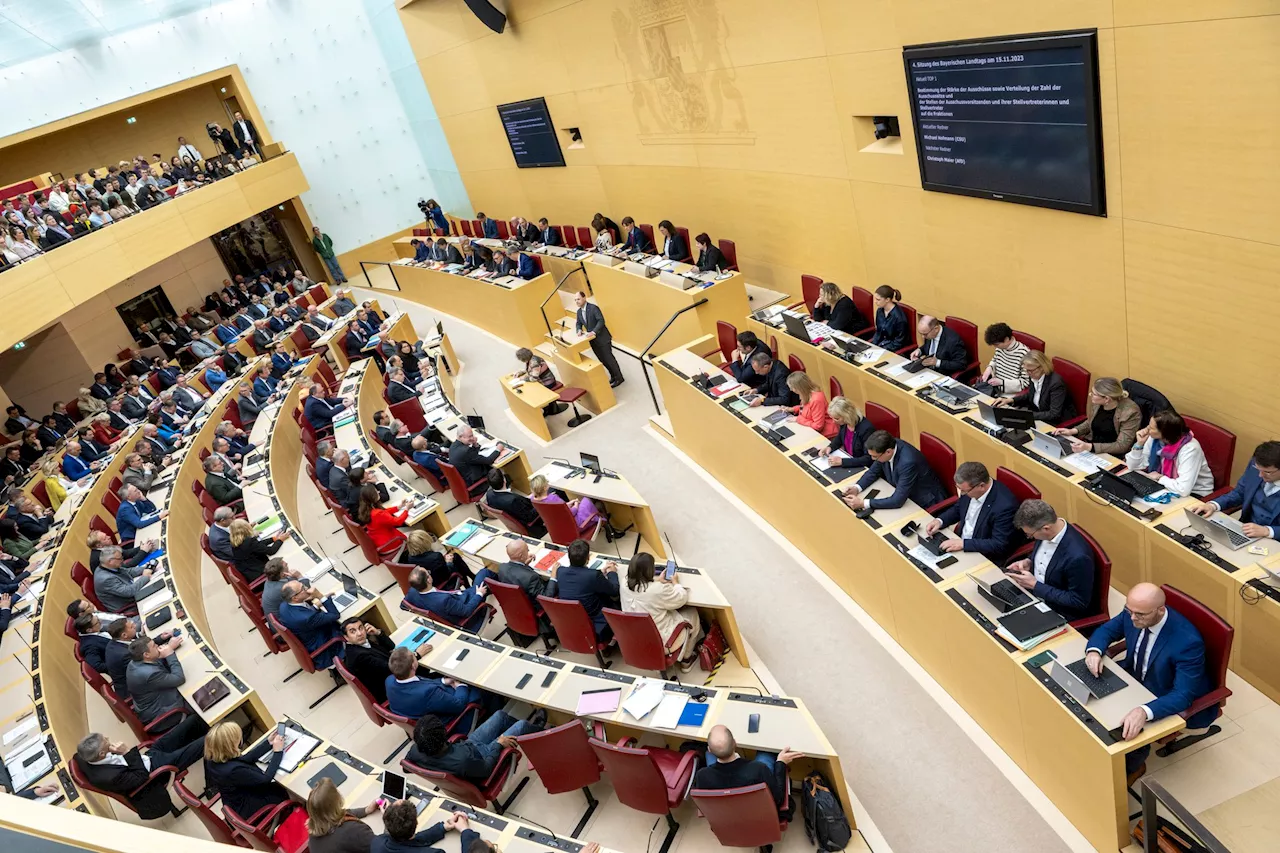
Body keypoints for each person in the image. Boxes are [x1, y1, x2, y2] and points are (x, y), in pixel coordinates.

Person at [1085, 582, 1216, 781]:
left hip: (1163, 694)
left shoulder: (1188, 642)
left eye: (1140, 615)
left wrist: (1143, 711)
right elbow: (1107, 631)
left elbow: (1182, 695)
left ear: (1160, 611)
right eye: (1129, 611)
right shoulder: (1135, 613)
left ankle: (1133, 768)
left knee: (1128, 731)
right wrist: (1094, 650)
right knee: (1090, 703)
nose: (1132, 618)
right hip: (1135, 678)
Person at [73, 722, 207, 819]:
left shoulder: (82, 756)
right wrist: (126, 752)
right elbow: (141, 776)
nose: (108, 739)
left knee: (192, 722)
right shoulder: (111, 778)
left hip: (146, 757)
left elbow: (75, 758)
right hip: (154, 773)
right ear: (102, 754)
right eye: (105, 741)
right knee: (206, 742)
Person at [1005, 500, 1097, 620]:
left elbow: (1078, 601)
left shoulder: (1078, 557)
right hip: (1031, 596)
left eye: (1030, 535)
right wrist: (1029, 562)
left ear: (1046, 529)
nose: (1030, 538)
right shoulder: (1047, 530)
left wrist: (1035, 585)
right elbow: (1047, 556)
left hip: (1056, 611)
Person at [405, 709, 545, 785]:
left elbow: (406, 767)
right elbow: (487, 768)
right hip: (484, 757)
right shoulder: (463, 761)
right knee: (521, 726)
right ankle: (541, 733)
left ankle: (528, 733)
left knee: (500, 715)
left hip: (469, 745)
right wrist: (498, 745)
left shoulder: (415, 751)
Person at [694, 725, 802, 818]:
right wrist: (781, 763)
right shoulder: (758, 769)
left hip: (728, 821)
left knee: (709, 757)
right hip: (760, 818)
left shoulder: (702, 776)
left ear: (709, 749)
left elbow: (704, 805)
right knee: (765, 753)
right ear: (735, 743)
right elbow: (778, 799)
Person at [925, 462, 1021, 563]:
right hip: (959, 542)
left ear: (981, 486)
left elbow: (998, 544)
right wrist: (940, 521)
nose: (962, 494)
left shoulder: (1005, 507)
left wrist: (964, 544)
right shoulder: (969, 488)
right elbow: (958, 509)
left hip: (981, 555)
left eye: (964, 491)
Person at [620, 552, 704, 669]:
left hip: (636, 639)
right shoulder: (657, 590)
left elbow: (645, 591)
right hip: (661, 642)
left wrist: (658, 581)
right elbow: (681, 599)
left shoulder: (624, 583)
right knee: (692, 614)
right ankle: (687, 660)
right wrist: (675, 583)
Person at [203, 721, 295, 822]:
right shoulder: (234, 771)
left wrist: (268, 743)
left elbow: (245, 759)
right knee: (280, 789)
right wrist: (278, 752)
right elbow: (265, 779)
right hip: (249, 809)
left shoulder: (213, 760)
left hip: (236, 802)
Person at [1190, 440, 1280, 539]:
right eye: (1258, 469)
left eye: (1267, 472)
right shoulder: (1256, 466)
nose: (1260, 475)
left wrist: (1267, 531)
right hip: (1246, 531)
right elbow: (1239, 493)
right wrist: (1213, 505)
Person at [842, 431, 948, 512]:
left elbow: (897, 501)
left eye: (875, 456)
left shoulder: (908, 462)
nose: (873, 459)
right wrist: (857, 488)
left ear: (888, 452)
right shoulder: (887, 448)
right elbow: (873, 472)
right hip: (904, 493)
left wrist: (862, 503)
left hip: (924, 502)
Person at [386, 646, 493, 722]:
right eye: (413, 655)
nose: (415, 654)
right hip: (448, 718)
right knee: (481, 684)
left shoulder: (390, 681)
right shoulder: (428, 693)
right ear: (413, 666)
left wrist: (443, 681)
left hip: (427, 710)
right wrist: (460, 685)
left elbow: (419, 682)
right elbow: (458, 705)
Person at [1123, 411, 1216, 498]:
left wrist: (1159, 477)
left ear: (1164, 432)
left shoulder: (1190, 449)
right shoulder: (1155, 439)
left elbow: (1183, 490)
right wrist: (1139, 445)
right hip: (1166, 485)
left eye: (1151, 428)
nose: (1147, 429)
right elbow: (1133, 467)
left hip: (1194, 494)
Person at [126, 635, 202, 732]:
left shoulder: (134, 663)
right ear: (146, 655)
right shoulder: (149, 674)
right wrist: (170, 654)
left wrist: (162, 654)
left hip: (154, 703)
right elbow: (179, 679)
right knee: (198, 694)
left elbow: (155, 666)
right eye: (154, 646)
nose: (157, 645)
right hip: (163, 715)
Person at [1054, 377, 1141, 457]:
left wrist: (1090, 447)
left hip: (1112, 455)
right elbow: (1090, 422)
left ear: (1107, 399)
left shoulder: (1130, 412)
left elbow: (1121, 446)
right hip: (1090, 447)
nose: (1090, 394)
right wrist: (1072, 431)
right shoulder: (1098, 403)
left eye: (1094, 394)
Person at [342, 618, 420, 704]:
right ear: (346, 637)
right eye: (353, 631)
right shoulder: (359, 656)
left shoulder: (358, 645)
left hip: (392, 680)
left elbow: (390, 647)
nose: (359, 633)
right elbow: (394, 669)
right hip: (395, 689)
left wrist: (377, 633)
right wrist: (416, 655)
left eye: (361, 628)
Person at [556, 539, 619, 640]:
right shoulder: (593, 576)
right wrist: (612, 572)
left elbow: (581, 580)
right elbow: (614, 590)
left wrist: (599, 574)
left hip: (572, 621)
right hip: (597, 623)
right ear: (588, 558)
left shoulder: (560, 571)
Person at [993, 350, 1077, 425]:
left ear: (1042, 367)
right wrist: (1010, 400)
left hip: (1056, 422)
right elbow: (1031, 395)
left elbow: (1054, 414)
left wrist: (1026, 415)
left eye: (1031, 370)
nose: (1028, 373)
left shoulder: (1056, 383)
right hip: (1039, 414)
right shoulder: (1034, 375)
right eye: (1026, 370)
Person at [404, 566, 496, 633]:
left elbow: (403, 604)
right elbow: (467, 611)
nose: (430, 572)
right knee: (484, 573)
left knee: (483, 579)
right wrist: (479, 594)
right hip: (468, 611)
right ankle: (505, 588)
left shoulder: (413, 592)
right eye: (428, 572)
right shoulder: (443, 601)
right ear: (428, 580)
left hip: (457, 598)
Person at [277, 581, 344, 673]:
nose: (307, 589)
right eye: (303, 589)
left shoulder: (284, 606)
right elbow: (335, 615)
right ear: (295, 597)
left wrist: (318, 604)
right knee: (346, 622)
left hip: (309, 636)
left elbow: (303, 614)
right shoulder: (306, 618)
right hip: (325, 647)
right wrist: (320, 596)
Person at [306, 775, 381, 853]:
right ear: (337, 799)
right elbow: (384, 847)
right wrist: (390, 817)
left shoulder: (315, 830)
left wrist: (366, 810)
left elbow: (340, 813)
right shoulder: (354, 831)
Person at [373, 802, 479, 853]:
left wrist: (443, 827)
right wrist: (466, 831)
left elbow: (407, 843)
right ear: (417, 823)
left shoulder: (377, 843)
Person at [572, 291, 624, 386]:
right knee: (602, 360)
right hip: (593, 341)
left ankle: (619, 377)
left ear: (584, 298)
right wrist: (578, 329)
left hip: (602, 338)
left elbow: (601, 321)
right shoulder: (579, 312)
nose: (577, 301)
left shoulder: (593, 308)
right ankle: (613, 376)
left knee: (609, 359)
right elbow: (578, 323)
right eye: (575, 300)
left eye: (578, 299)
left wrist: (593, 332)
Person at [483, 469, 547, 537]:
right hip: (534, 525)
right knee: (554, 492)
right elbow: (530, 517)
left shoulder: (489, 495)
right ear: (504, 480)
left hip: (518, 517)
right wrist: (538, 500)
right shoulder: (513, 501)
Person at [529, 473, 601, 531]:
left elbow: (560, 508)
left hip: (558, 527)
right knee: (588, 500)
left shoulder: (533, 499)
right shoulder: (553, 498)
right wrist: (576, 505)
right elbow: (571, 512)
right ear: (545, 487)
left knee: (586, 503)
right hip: (573, 525)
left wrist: (570, 503)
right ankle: (605, 522)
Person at [93, 546, 155, 612]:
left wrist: (147, 568)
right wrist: (145, 576)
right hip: (130, 606)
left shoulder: (108, 566)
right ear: (110, 561)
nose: (122, 560)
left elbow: (129, 571)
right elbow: (129, 591)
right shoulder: (105, 579)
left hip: (132, 593)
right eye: (120, 558)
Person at [399, 530, 471, 587]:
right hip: (442, 583)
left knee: (455, 557)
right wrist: (449, 562)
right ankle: (469, 582)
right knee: (455, 558)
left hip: (425, 584)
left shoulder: (410, 558)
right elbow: (446, 574)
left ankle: (471, 578)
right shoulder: (436, 556)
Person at [496, 538, 558, 605]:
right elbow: (547, 597)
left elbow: (516, 573)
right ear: (521, 556)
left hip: (516, 603)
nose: (528, 551)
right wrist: (553, 576)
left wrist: (523, 563)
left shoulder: (502, 567)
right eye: (527, 550)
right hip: (534, 605)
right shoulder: (531, 577)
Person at [356, 483, 413, 553]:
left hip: (379, 541)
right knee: (416, 533)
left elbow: (384, 512)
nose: (378, 492)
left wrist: (399, 507)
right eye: (376, 491)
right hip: (390, 543)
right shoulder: (378, 514)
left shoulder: (367, 509)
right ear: (373, 496)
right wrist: (407, 509)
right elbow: (398, 521)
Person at [230, 517, 286, 584]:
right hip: (261, 574)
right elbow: (271, 551)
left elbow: (258, 545)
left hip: (250, 571)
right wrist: (281, 540)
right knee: (284, 564)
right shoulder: (249, 542)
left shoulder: (235, 541)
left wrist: (273, 539)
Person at [514, 347, 567, 416]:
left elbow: (533, 378)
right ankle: (547, 408)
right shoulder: (532, 359)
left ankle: (546, 408)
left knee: (533, 392)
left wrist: (522, 379)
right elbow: (531, 370)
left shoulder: (534, 362)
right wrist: (520, 372)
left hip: (547, 382)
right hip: (542, 381)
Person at [979, 323, 1031, 394]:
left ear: (1006, 339)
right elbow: (995, 359)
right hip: (994, 389)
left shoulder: (1024, 353)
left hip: (1010, 395)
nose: (995, 347)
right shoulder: (1001, 348)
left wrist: (1002, 382)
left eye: (996, 344)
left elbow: (1025, 382)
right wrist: (990, 368)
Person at [784, 371, 836, 437]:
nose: (791, 390)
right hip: (809, 429)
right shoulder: (806, 394)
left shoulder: (816, 400)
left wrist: (798, 419)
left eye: (792, 387)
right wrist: (792, 409)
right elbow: (806, 408)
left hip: (824, 434)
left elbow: (818, 426)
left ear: (799, 387)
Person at [869, 285, 909, 351]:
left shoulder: (899, 318)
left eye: (878, 299)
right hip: (881, 344)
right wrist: (872, 345)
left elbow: (899, 342)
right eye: (875, 299)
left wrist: (881, 349)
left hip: (892, 348)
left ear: (887, 299)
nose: (875, 302)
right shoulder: (879, 311)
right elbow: (878, 332)